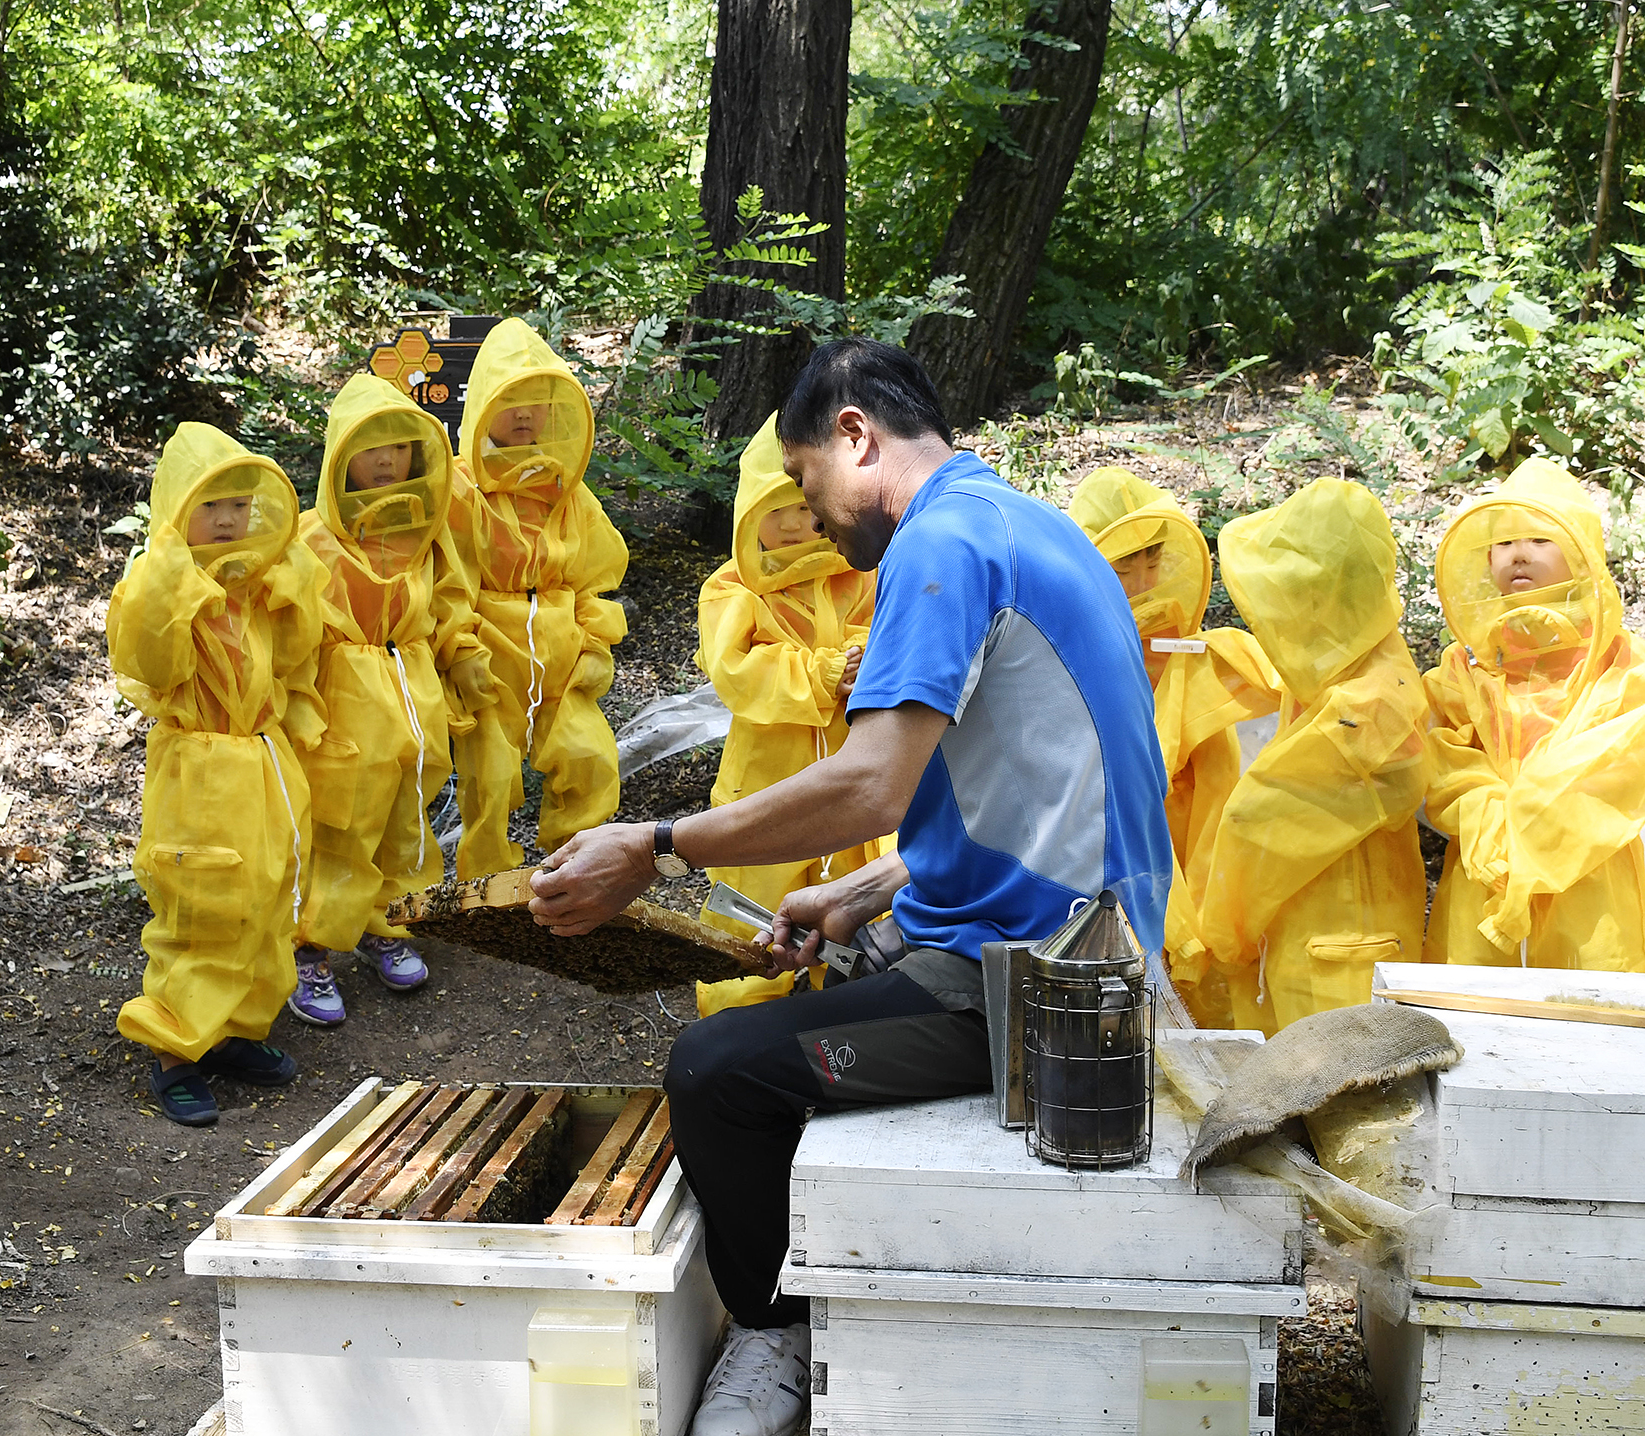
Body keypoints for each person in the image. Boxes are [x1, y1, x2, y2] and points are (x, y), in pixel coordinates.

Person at [529, 339, 1173, 1436]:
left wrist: (656, 840)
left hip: (1047, 991)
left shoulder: (938, 547)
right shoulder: (1026, 524)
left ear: (855, 436)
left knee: (717, 1069)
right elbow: (1043, 777)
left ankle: (774, 1331)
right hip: (1074, 938)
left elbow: (871, 777)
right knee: (796, 995)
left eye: (801, 479)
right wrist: (878, 886)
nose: (810, 511)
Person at [107, 422, 327, 1126]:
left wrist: (285, 580)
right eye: (210, 504)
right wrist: (178, 583)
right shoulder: (159, 582)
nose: (229, 518)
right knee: (200, 908)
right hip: (200, 770)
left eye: (239, 502)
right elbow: (149, 663)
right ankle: (174, 1053)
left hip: (263, 759)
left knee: (265, 902)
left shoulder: (249, 584)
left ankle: (235, 1030)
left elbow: (295, 657)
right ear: (177, 511)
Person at [288, 373, 491, 1025]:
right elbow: (283, 628)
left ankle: (386, 929)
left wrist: (464, 654)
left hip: (410, 701)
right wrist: (298, 709)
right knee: (338, 833)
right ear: (339, 455)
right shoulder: (310, 536)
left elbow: (451, 602)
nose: (384, 456)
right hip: (341, 709)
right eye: (368, 442)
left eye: (399, 442)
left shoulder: (423, 532)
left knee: (404, 826)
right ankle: (309, 955)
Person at [1197, 479, 1430, 1035]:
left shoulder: (1369, 705)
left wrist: (1222, 933)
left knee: (1333, 1098)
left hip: (1340, 959)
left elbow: (1263, 821)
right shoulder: (1357, 670)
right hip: (1320, 942)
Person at [1069, 466, 1279, 1027]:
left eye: (1153, 562)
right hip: (1108, 869)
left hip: (1201, 866)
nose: (1143, 583)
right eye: (1123, 566)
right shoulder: (1068, 659)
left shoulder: (1202, 658)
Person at [1424, 457, 1645, 970]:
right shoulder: (1464, 662)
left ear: (1581, 552)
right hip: (1486, 874)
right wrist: (1491, 821)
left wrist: (1532, 818)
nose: (1519, 555)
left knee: (1589, 1019)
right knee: (1478, 1030)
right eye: (1504, 543)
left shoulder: (1622, 660)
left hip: (1590, 877)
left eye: (1540, 540)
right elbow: (1440, 755)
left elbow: (1620, 761)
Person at [693, 413, 880, 1016]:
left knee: (848, 897)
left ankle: (836, 1019)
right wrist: (827, 673)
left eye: (806, 507)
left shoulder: (864, 574)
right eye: (779, 510)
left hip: (852, 776)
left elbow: (893, 639)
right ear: (751, 516)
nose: (799, 524)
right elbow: (738, 673)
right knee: (749, 899)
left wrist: (865, 662)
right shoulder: (733, 591)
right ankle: (731, 1020)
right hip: (765, 782)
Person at [445, 317, 628, 878]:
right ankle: (487, 884)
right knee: (490, 782)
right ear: (482, 407)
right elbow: (447, 581)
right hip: (492, 669)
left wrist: (596, 644)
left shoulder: (567, 491)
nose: (525, 412)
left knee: (591, 760)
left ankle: (577, 874)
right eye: (511, 398)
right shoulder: (461, 489)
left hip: (561, 662)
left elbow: (593, 579)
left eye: (536, 399)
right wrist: (460, 650)